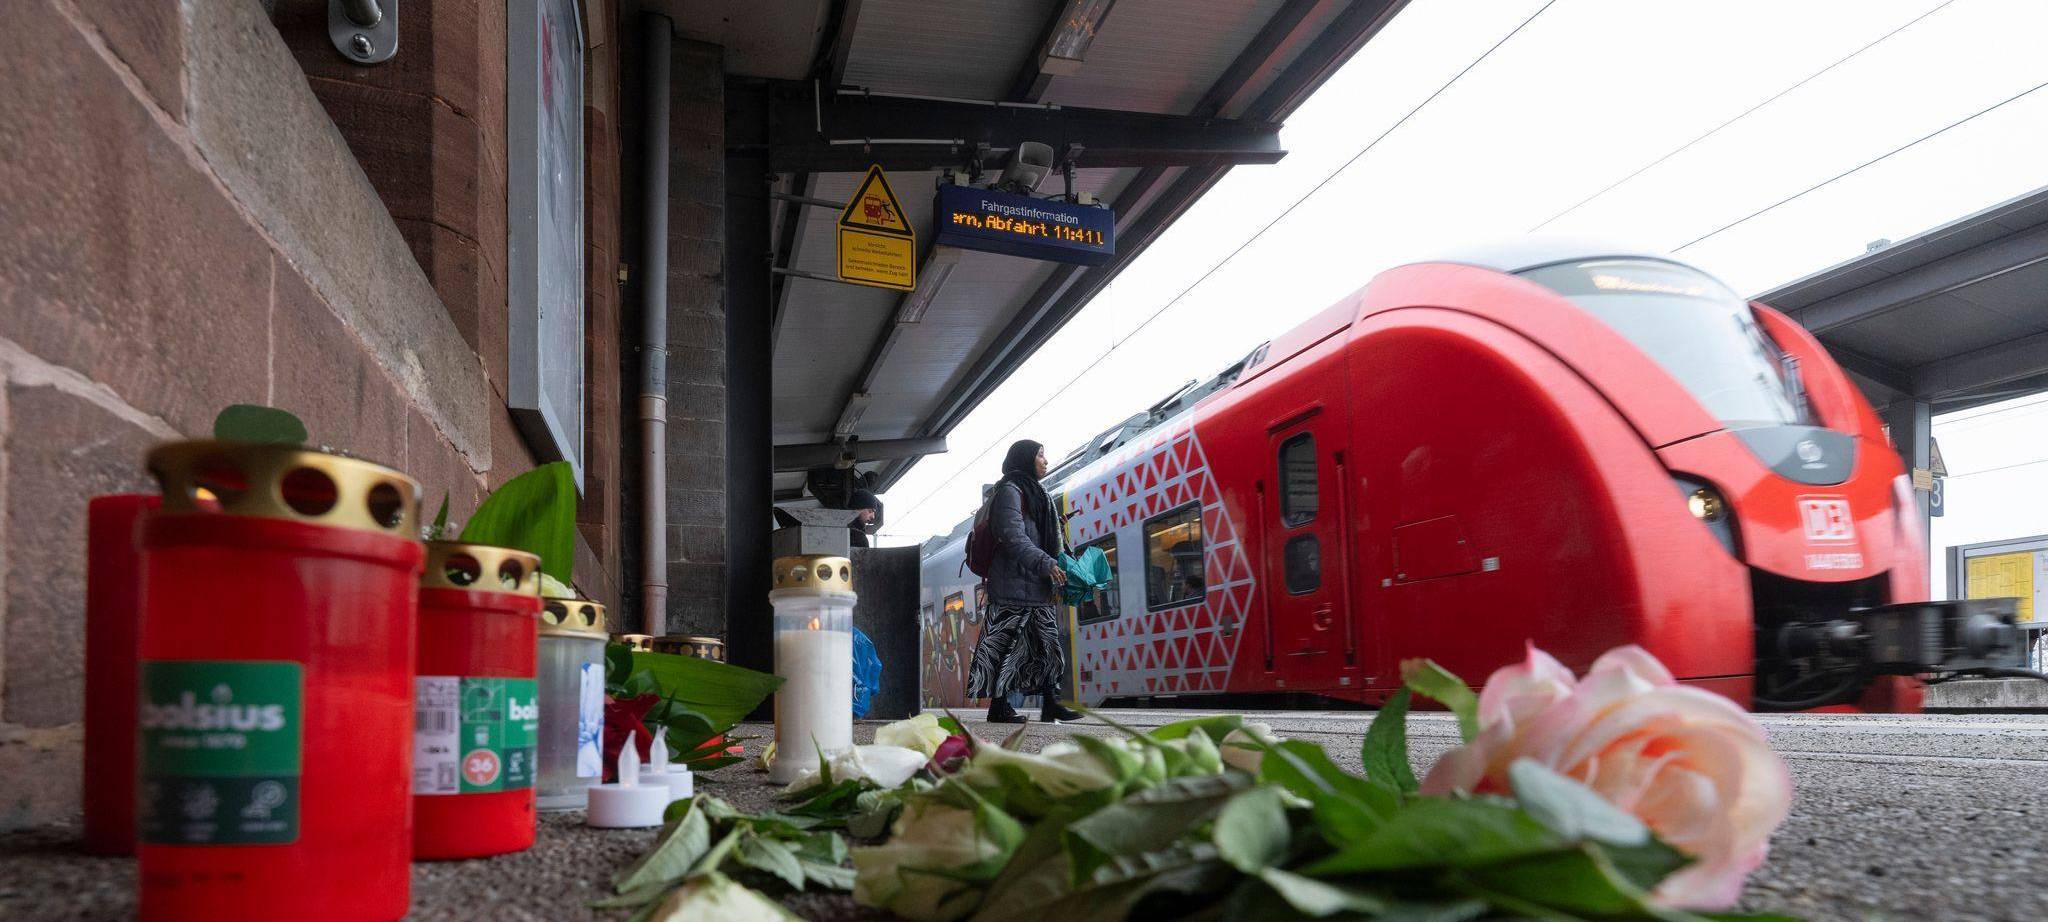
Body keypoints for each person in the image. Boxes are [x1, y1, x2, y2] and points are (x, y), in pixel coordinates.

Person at [967, 440, 1085, 724]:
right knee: (1005, 647)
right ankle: (999, 707)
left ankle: (1051, 704)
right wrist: (1046, 564)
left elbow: (1035, 535)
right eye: (1040, 455)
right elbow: (1012, 537)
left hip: (1036, 589)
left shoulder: (1037, 493)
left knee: (1048, 648)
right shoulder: (1010, 491)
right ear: (1024, 459)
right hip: (1011, 589)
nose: (1045, 460)